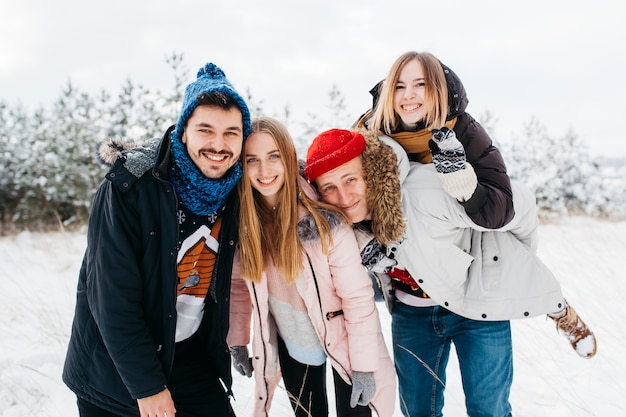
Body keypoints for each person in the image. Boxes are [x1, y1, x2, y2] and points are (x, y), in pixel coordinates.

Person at [305, 127, 597, 417]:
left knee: (489, 410)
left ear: (370, 172)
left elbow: (518, 204)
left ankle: (562, 313)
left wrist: (517, 256)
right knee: (418, 412)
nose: (343, 196)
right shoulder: (345, 231)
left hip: (476, 303)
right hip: (411, 315)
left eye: (351, 179)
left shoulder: (422, 192)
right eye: (329, 187)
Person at [62, 62, 251, 417]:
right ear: (183, 132)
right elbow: (111, 298)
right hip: (115, 372)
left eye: (231, 133)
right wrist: (147, 387)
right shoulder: (131, 185)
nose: (218, 144)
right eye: (205, 130)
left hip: (189, 357)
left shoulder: (237, 188)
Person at [226, 117, 396, 417]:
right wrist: (238, 339)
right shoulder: (245, 224)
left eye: (274, 156)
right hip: (294, 342)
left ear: (289, 159)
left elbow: (357, 299)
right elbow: (240, 286)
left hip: (347, 347)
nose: (264, 171)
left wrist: (365, 367)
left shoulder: (323, 223)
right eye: (253, 160)